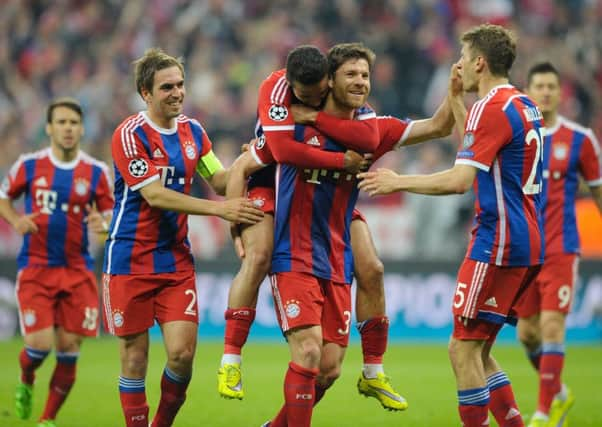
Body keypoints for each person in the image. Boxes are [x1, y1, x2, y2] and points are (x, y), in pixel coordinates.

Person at [229, 42, 456, 427]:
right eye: (351, 74)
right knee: (309, 352)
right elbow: (245, 164)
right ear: (329, 81)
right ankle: (230, 356)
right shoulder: (290, 128)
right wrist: (237, 224)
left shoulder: (371, 129)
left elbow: (438, 125)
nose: (361, 82)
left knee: (329, 369)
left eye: (365, 75)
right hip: (292, 252)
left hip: (335, 258)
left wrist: (458, 87)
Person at [359, 24, 545, 427]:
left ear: (479, 62)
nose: (457, 65)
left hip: (498, 240)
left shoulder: (491, 107)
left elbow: (461, 180)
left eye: (462, 57)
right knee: (478, 350)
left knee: (461, 350)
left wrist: (399, 180)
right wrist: (458, 100)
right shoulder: (522, 104)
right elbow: (474, 150)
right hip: (527, 238)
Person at [101, 48, 264, 427]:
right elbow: (155, 195)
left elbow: (220, 180)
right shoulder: (129, 135)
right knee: (135, 358)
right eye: (167, 87)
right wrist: (218, 210)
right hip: (129, 258)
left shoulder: (194, 132)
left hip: (174, 259)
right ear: (146, 93)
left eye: (180, 85)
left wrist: (251, 159)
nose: (177, 93)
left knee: (181, 355)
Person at [0, 97, 114, 427]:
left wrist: (103, 226)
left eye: (73, 123)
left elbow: (109, 215)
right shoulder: (29, 165)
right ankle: (26, 378)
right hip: (36, 268)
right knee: (37, 346)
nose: (67, 128)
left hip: (77, 270)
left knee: (68, 348)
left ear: (81, 129)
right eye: (61, 122)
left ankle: (48, 418)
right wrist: (16, 221)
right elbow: (4, 197)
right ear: (49, 128)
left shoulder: (96, 172)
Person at [514, 62, 602, 427]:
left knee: (552, 327)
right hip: (524, 250)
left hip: (561, 247)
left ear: (560, 92)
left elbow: (598, 194)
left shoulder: (580, 140)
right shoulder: (517, 136)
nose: (546, 91)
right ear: (529, 91)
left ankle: (543, 412)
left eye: (552, 85)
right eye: (540, 85)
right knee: (527, 333)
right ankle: (560, 393)